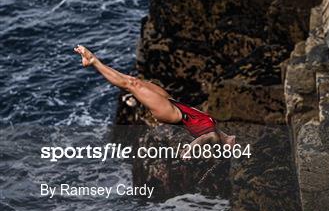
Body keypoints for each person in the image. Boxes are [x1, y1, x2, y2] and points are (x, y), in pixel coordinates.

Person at [74, 45, 236, 156]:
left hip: (173, 113)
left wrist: (189, 150)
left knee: (132, 85)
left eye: (233, 147)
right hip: (175, 103)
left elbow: (202, 140)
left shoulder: (214, 137)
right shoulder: (217, 128)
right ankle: (93, 60)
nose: (235, 143)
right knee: (134, 80)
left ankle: (93, 60)